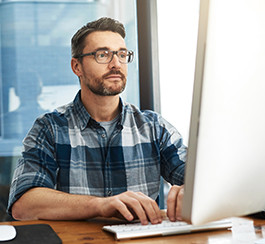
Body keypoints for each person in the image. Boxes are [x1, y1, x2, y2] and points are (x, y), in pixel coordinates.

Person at [7, 17, 185, 225]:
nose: (116, 63)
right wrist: (102, 205)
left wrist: (191, 189)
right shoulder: (50, 128)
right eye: (103, 55)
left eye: (121, 54)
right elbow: (23, 205)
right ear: (77, 66)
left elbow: (198, 180)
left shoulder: (154, 127)